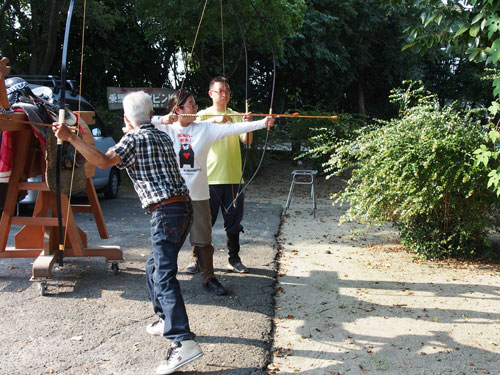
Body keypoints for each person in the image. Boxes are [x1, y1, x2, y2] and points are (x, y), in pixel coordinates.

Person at [52, 91, 202, 375]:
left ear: (125, 118)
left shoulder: (133, 139)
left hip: (165, 212)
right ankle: (165, 320)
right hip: (183, 207)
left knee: (163, 275)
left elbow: (102, 161)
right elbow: (136, 141)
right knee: (154, 266)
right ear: (149, 114)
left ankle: (183, 341)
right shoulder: (160, 135)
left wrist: (71, 137)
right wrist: (133, 129)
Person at [151, 89, 274, 296]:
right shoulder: (166, 128)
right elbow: (136, 122)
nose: (195, 109)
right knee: (166, 240)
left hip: (198, 195)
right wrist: (163, 119)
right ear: (178, 109)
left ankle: (208, 278)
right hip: (173, 196)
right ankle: (164, 279)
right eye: (190, 105)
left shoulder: (205, 128)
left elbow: (235, 128)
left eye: (195, 105)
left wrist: (262, 123)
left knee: (203, 240)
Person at [195, 76, 252, 274]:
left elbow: (247, 141)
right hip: (208, 179)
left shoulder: (236, 115)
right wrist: (214, 120)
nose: (224, 94)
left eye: (227, 91)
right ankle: (197, 260)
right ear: (211, 94)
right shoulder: (201, 115)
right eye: (220, 91)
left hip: (234, 178)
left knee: (234, 223)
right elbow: (190, 130)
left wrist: (248, 124)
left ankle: (234, 258)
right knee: (203, 223)